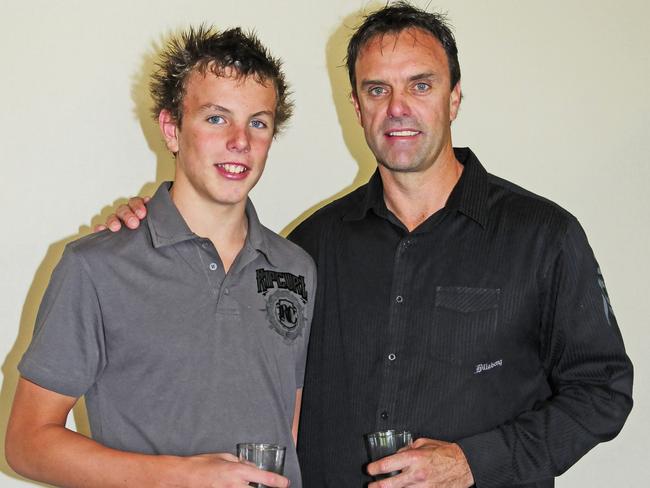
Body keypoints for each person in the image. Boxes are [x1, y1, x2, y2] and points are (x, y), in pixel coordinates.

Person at [97, 2, 634, 487]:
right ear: (357, 107)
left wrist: (475, 462)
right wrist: (144, 236)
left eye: (421, 85)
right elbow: (237, 365)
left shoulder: (544, 236)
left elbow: (603, 390)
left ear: (455, 98)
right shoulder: (307, 249)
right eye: (378, 89)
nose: (397, 107)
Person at [5, 26, 315, 488]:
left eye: (258, 122)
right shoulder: (97, 266)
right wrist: (183, 476)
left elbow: (286, 428)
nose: (239, 141)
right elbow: (26, 443)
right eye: (215, 118)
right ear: (172, 129)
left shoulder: (294, 268)